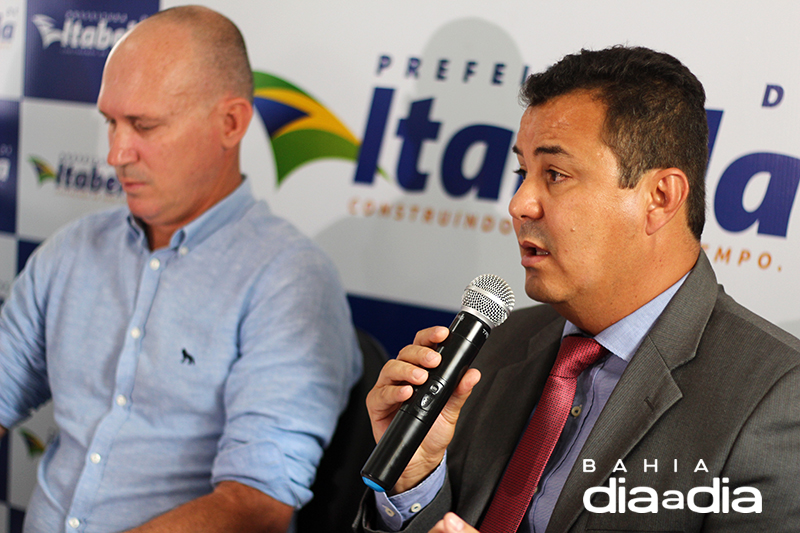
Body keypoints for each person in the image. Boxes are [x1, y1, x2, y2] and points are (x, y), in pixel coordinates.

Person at [356, 46, 800, 533]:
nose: (519, 204)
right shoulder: (495, 345)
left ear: (660, 198)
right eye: (521, 172)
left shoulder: (778, 397)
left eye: (556, 175)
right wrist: (415, 482)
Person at [0, 6, 361, 533]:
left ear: (231, 123)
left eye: (144, 125)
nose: (117, 153)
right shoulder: (72, 250)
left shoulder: (289, 279)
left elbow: (257, 503)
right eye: (110, 122)